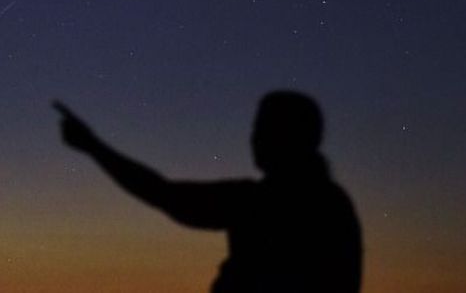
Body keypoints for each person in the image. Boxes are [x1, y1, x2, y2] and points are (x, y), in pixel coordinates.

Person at [55, 91, 362, 292]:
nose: (253, 139)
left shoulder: (261, 202)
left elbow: (165, 195)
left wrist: (93, 147)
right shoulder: (334, 204)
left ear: (288, 136)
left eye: (261, 129)